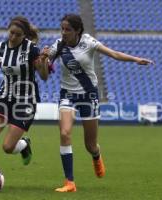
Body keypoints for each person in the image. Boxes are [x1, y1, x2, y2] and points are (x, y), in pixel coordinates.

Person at [42, 14, 154, 192]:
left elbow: (114, 54)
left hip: (88, 95)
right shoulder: (58, 46)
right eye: (62, 29)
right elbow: (44, 74)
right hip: (67, 95)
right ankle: (69, 182)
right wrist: (42, 59)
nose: (63, 33)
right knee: (64, 133)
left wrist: (135, 59)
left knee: (90, 145)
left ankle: (96, 156)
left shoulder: (88, 42)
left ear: (78, 30)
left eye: (68, 29)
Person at [0, 16, 49, 171]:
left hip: (25, 101)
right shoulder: (0, 48)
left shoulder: (32, 49)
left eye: (18, 35)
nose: (13, 37)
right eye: (11, 33)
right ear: (8, 30)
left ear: (24, 35)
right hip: (5, 98)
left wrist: (43, 61)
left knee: (8, 147)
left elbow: (44, 76)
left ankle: (24, 145)